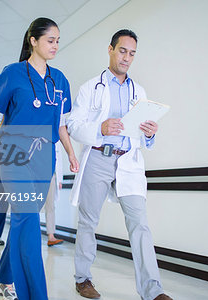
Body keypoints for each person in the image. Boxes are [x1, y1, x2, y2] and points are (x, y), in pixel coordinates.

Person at [0, 17, 79, 300]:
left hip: (45, 157)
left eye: (58, 40)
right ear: (33, 40)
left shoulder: (60, 80)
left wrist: (70, 152)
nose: (56, 46)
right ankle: (34, 294)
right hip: (14, 154)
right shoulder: (13, 73)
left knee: (23, 220)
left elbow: (62, 125)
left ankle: (4, 276)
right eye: (50, 40)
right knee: (28, 216)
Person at [67, 29, 172, 300]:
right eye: (123, 51)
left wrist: (150, 133)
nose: (127, 58)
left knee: (140, 224)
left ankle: (152, 290)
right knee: (89, 220)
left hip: (127, 161)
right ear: (111, 49)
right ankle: (83, 279)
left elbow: (141, 131)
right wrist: (100, 127)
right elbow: (74, 126)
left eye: (132, 53)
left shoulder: (140, 91)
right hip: (99, 157)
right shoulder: (91, 87)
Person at [45, 142, 64, 246]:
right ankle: (27, 235)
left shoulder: (55, 139)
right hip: (34, 174)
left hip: (50, 175)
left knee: (50, 205)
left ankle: (51, 236)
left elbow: (59, 158)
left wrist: (59, 179)